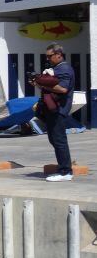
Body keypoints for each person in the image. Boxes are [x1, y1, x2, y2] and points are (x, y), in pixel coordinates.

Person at [31, 43, 74, 182]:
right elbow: (51, 87)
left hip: (59, 110)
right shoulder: (57, 68)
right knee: (54, 139)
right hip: (53, 110)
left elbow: (62, 89)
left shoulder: (64, 69)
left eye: (50, 56)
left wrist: (42, 84)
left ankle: (65, 172)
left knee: (59, 140)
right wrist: (38, 83)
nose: (48, 59)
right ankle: (64, 167)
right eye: (47, 56)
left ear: (59, 55)